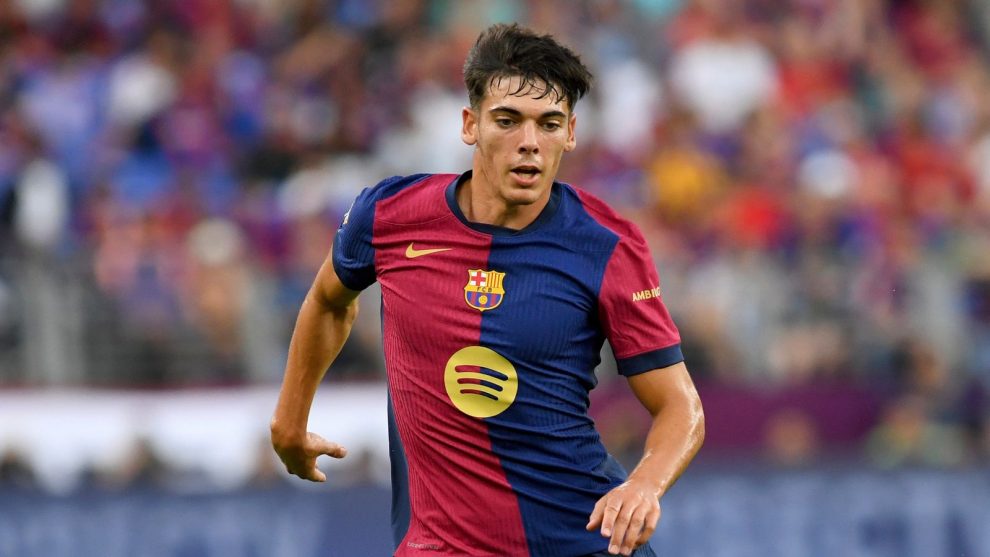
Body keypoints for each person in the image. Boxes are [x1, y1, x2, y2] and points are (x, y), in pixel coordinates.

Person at [271, 23, 705, 557]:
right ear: (470, 124)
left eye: (549, 124)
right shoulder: (387, 216)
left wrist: (644, 485)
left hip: (582, 541)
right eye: (508, 120)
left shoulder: (608, 246)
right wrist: (289, 421)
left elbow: (681, 408)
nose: (529, 143)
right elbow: (327, 301)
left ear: (570, 133)